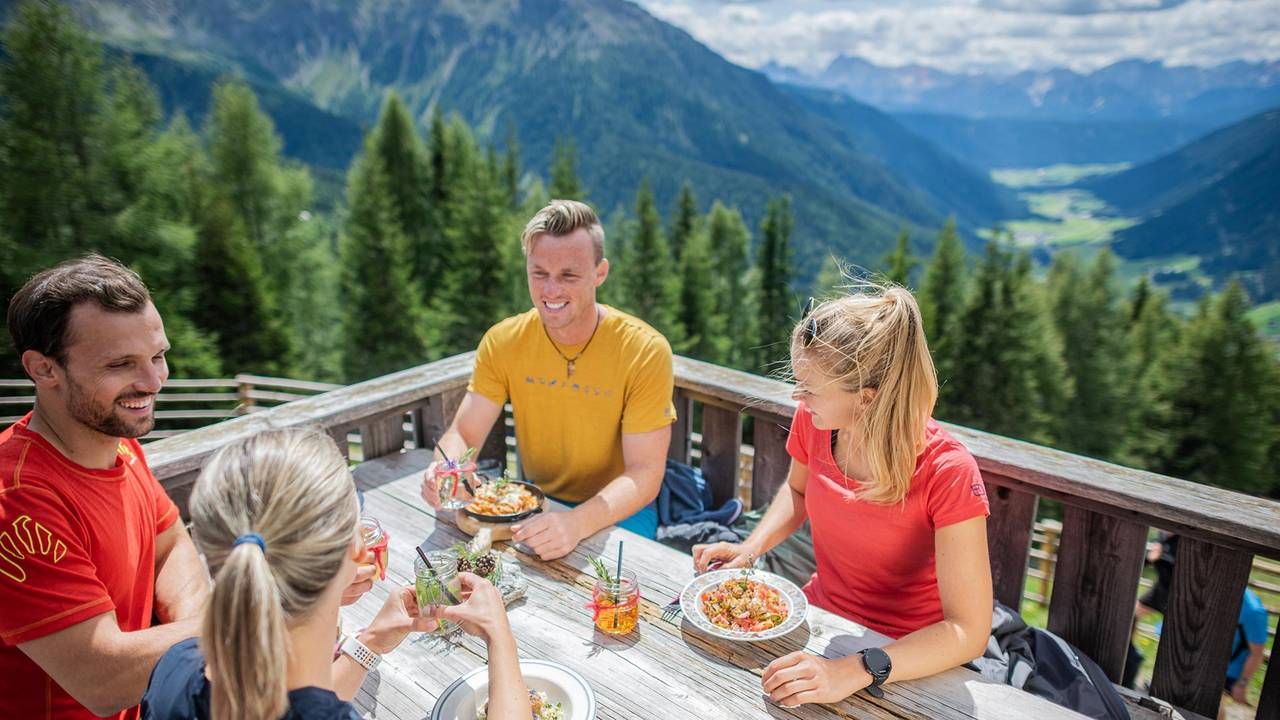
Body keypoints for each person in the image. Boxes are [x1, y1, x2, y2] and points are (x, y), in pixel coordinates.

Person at [693, 285, 993, 707]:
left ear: (866, 399)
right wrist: (750, 548)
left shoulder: (948, 471)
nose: (797, 397)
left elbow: (968, 632)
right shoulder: (814, 421)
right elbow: (797, 492)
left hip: (907, 656)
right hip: (820, 618)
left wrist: (853, 670)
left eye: (809, 388)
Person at [141, 428, 529, 720]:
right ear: (357, 550)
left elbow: (301, 701)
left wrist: (371, 642)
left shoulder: (174, 666)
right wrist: (499, 635)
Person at [0, 255, 211, 719]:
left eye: (158, 356)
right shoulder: (16, 500)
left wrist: (198, 627)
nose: (154, 381)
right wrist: (241, 621)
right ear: (43, 369)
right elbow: (101, 678)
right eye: (122, 364)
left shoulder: (115, 439)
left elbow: (171, 544)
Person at [421, 200, 675, 558]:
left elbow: (645, 472)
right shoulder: (503, 340)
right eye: (539, 273)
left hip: (619, 510)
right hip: (533, 505)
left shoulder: (645, 350)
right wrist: (445, 469)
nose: (551, 290)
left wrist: (577, 523)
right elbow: (463, 433)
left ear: (600, 273)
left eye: (568, 276)